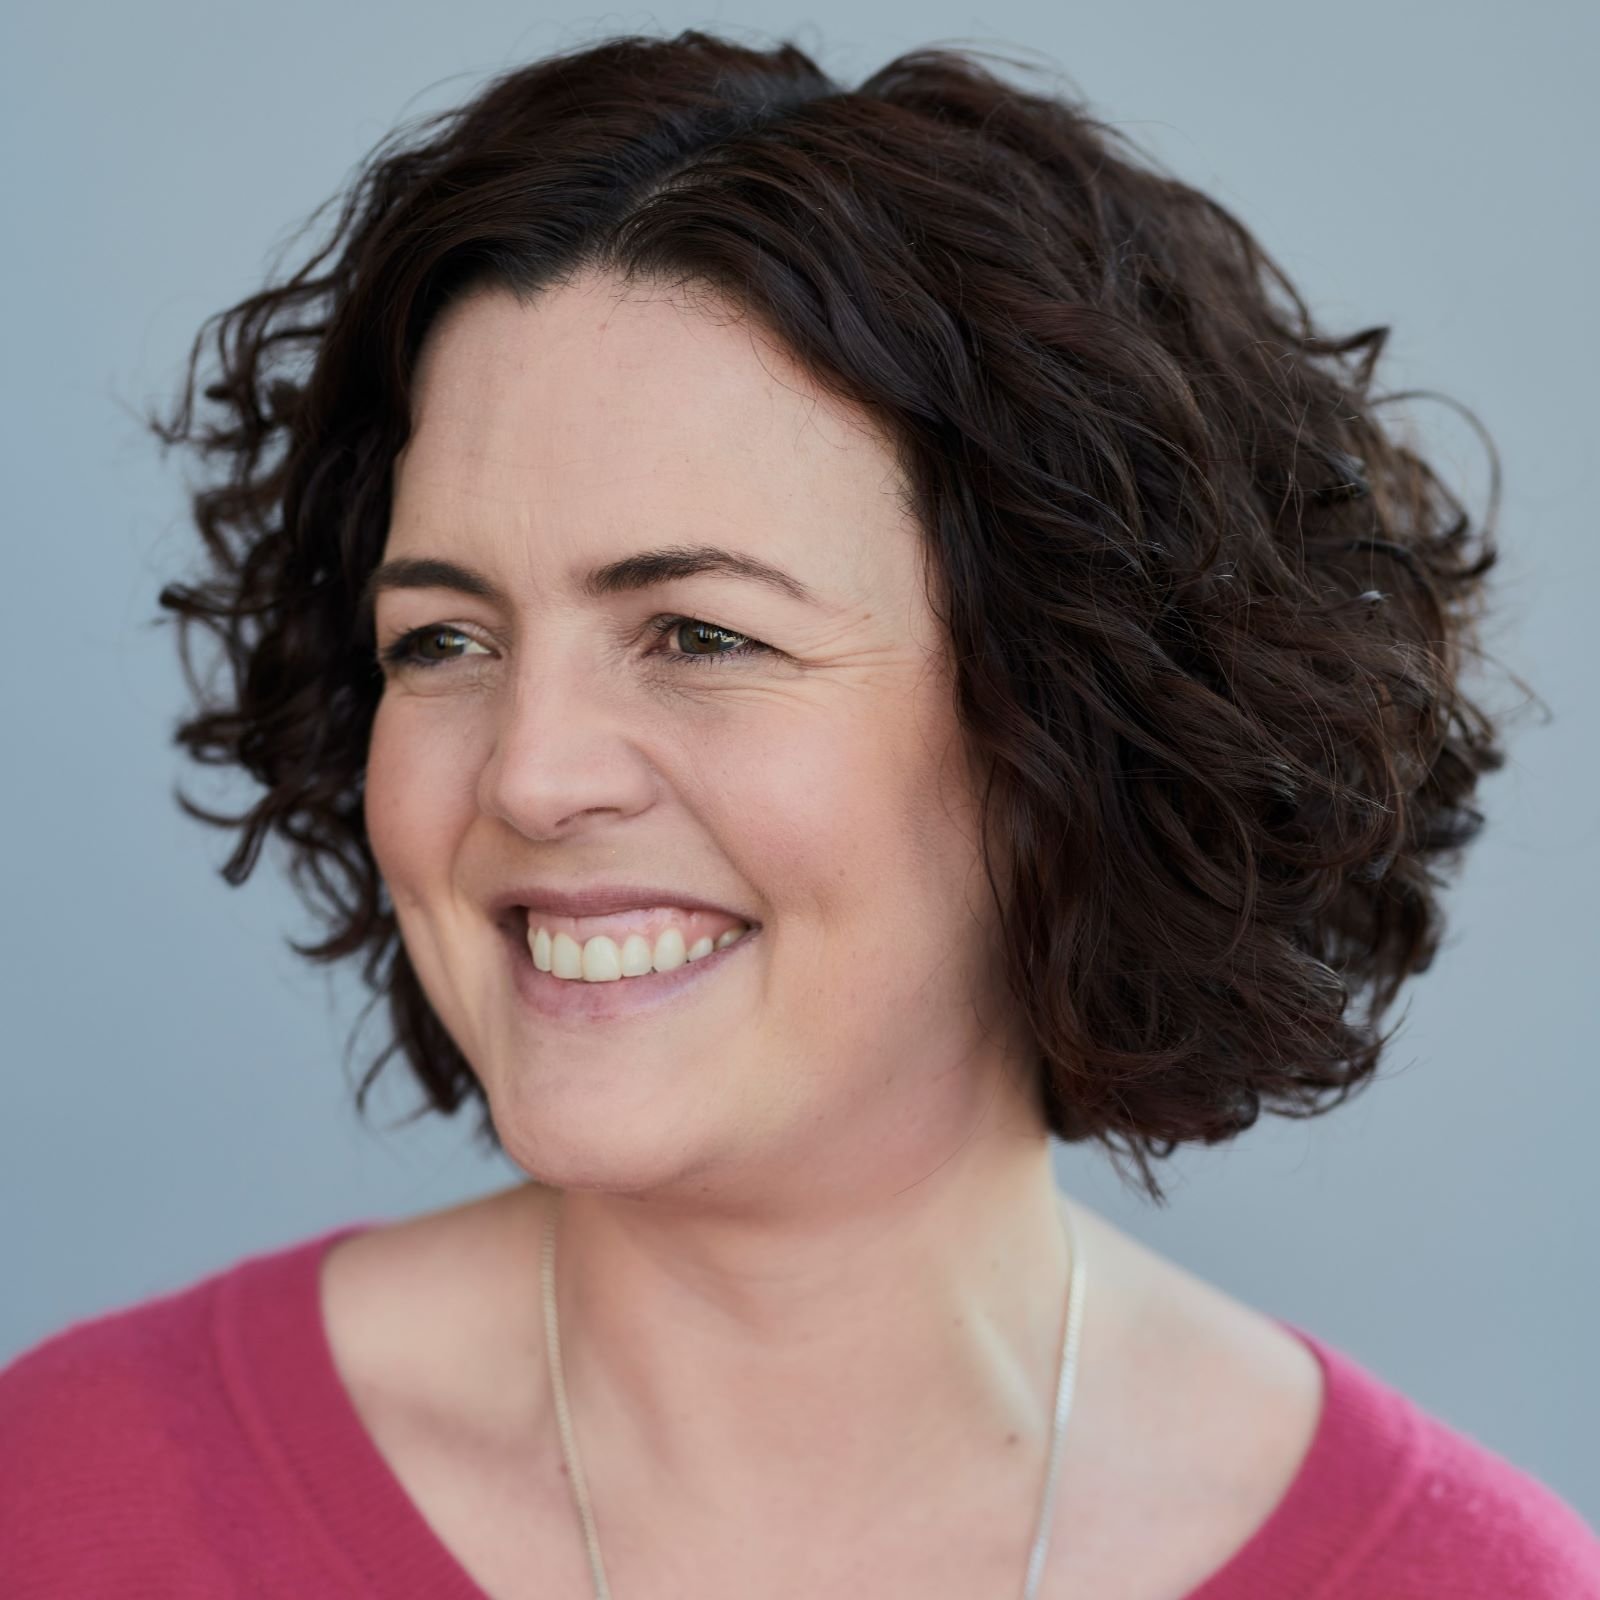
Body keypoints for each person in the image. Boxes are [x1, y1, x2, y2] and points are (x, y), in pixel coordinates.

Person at [3, 27, 1596, 1599]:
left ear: (1061, 722)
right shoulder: (59, 1502)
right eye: (444, 640)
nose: (530, 774)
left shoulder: (1465, 1582)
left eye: (701, 635)